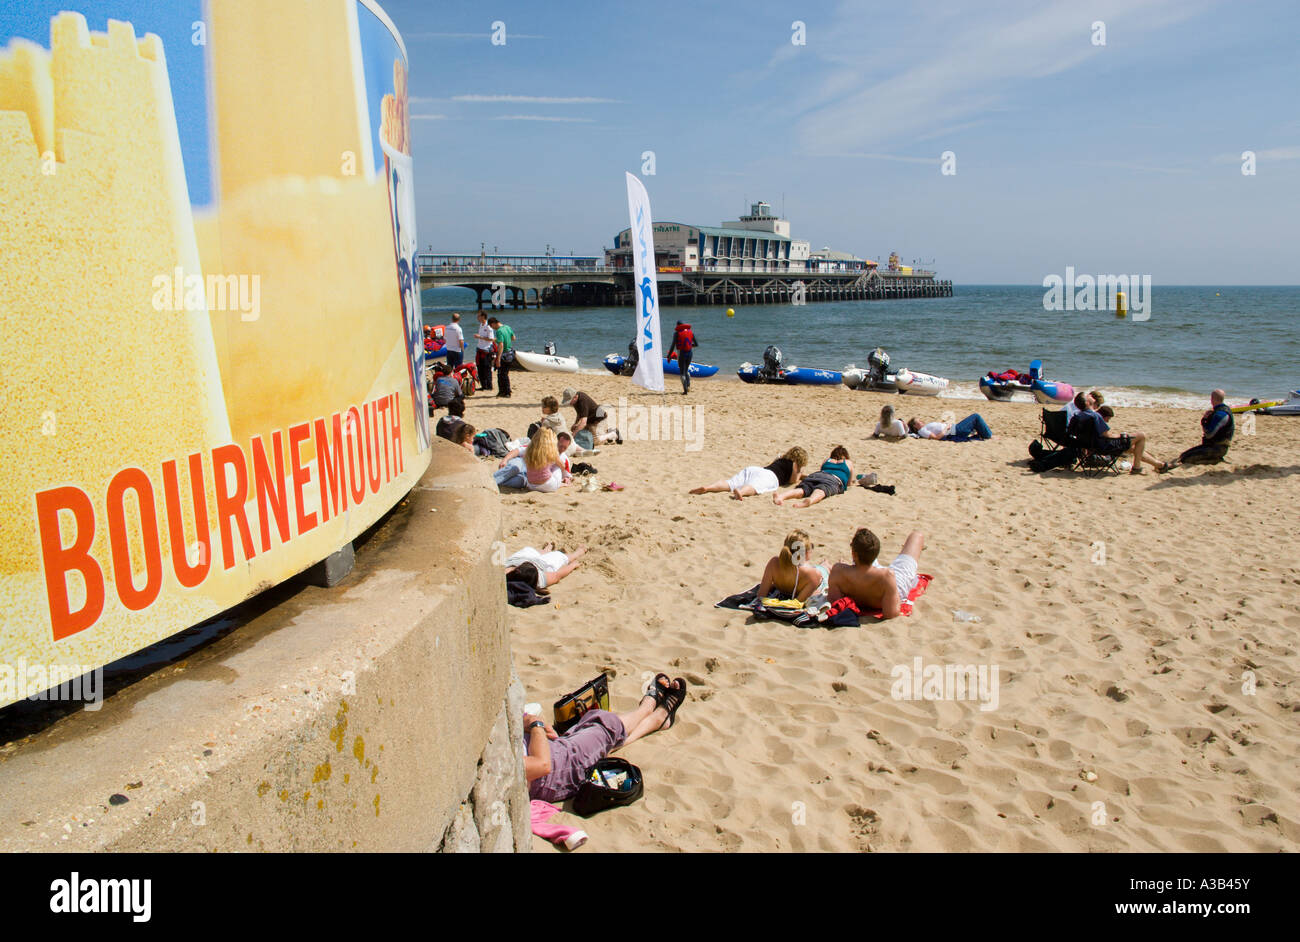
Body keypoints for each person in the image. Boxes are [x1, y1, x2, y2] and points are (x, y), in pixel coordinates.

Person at [524, 674, 686, 804]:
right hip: (556, 769)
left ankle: (655, 722)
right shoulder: (500, 764)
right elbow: (542, 765)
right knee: (604, 725)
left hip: (553, 755)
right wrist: (535, 724)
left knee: (593, 735)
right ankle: (647, 708)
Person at [827, 527, 924, 620]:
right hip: (891, 581)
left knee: (861, 530)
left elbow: (835, 603)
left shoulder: (838, 571)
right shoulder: (887, 576)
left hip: (865, 571)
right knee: (917, 536)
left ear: (853, 554)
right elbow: (891, 613)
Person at [1070, 399, 1169, 474]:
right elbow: (1107, 435)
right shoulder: (1095, 417)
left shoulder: (1078, 416)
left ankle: (1159, 465)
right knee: (1141, 435)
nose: (1093, 399)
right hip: (1104, 447)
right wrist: (1121, 436)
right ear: (1087, 403)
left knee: (1133, 448)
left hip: (1091, 445)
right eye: (1089, 398)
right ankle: (1136, 467)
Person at [689, 447, 807, 499]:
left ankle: (709, 487)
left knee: (730, 483)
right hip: (770, 477)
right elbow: (793, 480)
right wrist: (801, 472)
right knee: (754, 487)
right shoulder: (795, 465)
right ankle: (741, 492)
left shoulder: (780, 458)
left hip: (757, 469)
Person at [756, 529, 830, 604]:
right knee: (825, 566)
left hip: (798, 574)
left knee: (815, 566)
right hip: (811, 577)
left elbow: (761, 595)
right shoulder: (814, 574)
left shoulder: (773, 563)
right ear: (807, 552)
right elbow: (797, 604)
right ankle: (825, 564)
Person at [1168, 389, 1234, 468]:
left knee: (1187, 458)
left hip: (1217, 448)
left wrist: (1204, 422)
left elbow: (1209, 434)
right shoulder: (1224, 410)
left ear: (1212, 399)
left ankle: (1215, 460)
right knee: (1184, 455)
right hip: (1214, 446)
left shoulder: (1220, 414)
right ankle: (1215, 458)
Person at [773, 446, 854, 508]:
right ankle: (810, 500)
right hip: (833, 479)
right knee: (822, 489)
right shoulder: (848, 462)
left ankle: (781, 496)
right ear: (846, 455)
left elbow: (822, 470)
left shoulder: (827, 460)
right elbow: (849, 483)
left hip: (817, 475)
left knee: (802, 489)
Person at [495, 431, 573, 488]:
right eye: (560, 445)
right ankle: (491, 481)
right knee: (515, 468)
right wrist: (505, 460)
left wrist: (567, 478)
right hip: (522, 463)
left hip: (528, 477)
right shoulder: (540, 447)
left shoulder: (564, 458)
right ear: (555, 441)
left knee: (519, 481)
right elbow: (517, 451)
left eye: (565, 447)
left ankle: (493, 483)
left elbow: (567, 475)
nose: (562, 449)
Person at [504, 543, 587, 589]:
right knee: (558, 557)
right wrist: (573, 565)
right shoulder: (538, 579)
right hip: (541, 565)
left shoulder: (506, 571)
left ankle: (545, 551)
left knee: (529, 550)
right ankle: (577, 553)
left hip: (517, 560)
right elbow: (557, 575)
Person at [907, 414, 994, 441]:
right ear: (915, 426)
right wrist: (946, 428)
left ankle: (988, 435)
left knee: (975, 422)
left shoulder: (924, 428)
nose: (922, 422)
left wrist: (945, 424)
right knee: (976, 417)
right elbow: (936, 438)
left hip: (953, 428)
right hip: (953, 431)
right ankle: (989, 436)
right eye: (919, 421)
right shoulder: (922, 431)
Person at [666, 320, 698, 395]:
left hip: (682, 353)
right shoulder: (691, 332)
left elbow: (673, 345)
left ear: (678, 326)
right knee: (686, 369)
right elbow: (696, 344)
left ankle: (685, 391)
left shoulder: (676, 333)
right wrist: (689, 346)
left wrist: (669, 355)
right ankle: (688, 385)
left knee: (682, 372)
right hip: (690, 353)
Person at [489, 315, 514, 398]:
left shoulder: (499, 331)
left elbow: (501, 345)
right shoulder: (507, 327)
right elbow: (513, 338)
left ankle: (505, 392)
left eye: (491, 326)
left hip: (504, 354)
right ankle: (507, 390)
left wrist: (498, 358)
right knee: (505, 373)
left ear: (493, 323)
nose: (492, 328)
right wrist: (501, 339)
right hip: (510, 353)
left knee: (501, 374)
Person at [474, 311, 496, 392]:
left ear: (483, 317)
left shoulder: (488, 326)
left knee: (487, 369)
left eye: (479, 316)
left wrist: (480, 337)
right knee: (480, 369)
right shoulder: (481, 325)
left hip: (486, 350)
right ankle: (484, 386)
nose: (477, 318)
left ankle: (489, 386)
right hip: (480, 348)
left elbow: (491, 339)